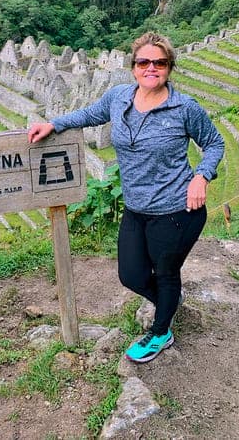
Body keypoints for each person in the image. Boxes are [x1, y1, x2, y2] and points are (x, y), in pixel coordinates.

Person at [28, 32, 224, 363]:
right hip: (136, 208)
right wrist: (54, 124)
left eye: (159, 63)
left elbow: (214, 143)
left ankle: (161, 331)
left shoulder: (184, 108)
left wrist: (201, 176)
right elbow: (90, 114)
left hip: (175, 209)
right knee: (131, 275)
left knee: (165, 273)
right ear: (133, 67)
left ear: (169, 68)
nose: (152, 68)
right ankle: (169, 301)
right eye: (144, 62)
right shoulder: (119, 97)